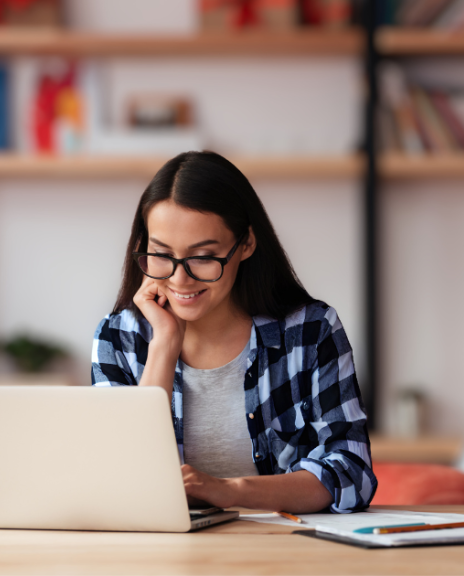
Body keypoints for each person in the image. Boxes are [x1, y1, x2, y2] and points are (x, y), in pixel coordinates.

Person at [91, 151, 375, 514]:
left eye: (203, 256)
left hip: (285, 553)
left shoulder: (310, 331)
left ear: (246, 244)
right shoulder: (118, 338)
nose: (180, 278)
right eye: (161, 254)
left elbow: (352, 473)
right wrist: (164, 344)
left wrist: (232, 491)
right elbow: (121, 482)